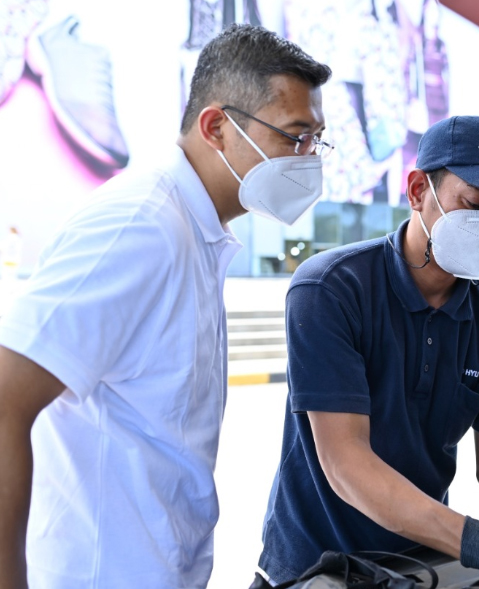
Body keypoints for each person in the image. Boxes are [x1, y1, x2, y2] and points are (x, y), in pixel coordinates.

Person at [0, 23, 331, 589]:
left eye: (317, 141)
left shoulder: (194, 230)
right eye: (294, 137)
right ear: (217, 127)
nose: (309, 159)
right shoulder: (139, 227)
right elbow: (6, 397)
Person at [258, 115, 479, 584]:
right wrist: (478, 540)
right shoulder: (331, 289)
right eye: (474, 203)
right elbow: (346, 461)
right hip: (316, 570)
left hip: (420, 567)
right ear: (417, 192)